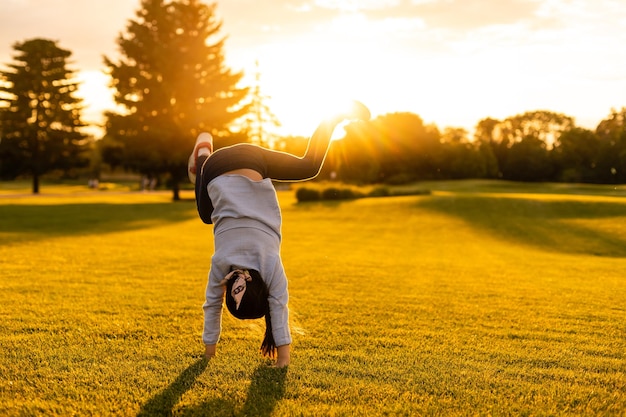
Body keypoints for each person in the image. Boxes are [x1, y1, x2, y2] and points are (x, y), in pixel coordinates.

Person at [189, 101, 370, 367]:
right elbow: (212, 304)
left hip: (253, 161)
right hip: (216, 168)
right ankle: (203, 155)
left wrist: (283, 358)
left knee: (309, 166)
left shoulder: (269, 265)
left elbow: (278, 304)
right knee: (206, 216)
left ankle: (336, 116)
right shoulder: (223, 264)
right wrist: (209, 352)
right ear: (231, 287)